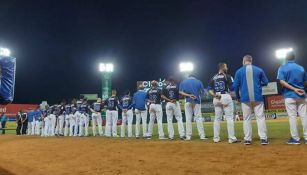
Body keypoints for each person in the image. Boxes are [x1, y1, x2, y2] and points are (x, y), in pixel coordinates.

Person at [233, 55, 269, 145]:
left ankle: (247, 139)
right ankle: (263, 139)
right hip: (257, 97)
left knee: (246, 119)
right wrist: (258, 85)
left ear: (243, 61)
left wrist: (237, 97)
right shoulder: (259, 69)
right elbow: (266, 82)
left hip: (245, 98)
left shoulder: (239, 71)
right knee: (260, 118)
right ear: (251, 61)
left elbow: (235, 86)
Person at [277, 51, 307, 144]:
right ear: (294, 58)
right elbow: (305, 82)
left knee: (292, 117)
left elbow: (281, 81)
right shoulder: (301, 68)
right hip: (301, 94)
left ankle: (295, 139)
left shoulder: (282, 67)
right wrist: (299, 88)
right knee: (304, 116)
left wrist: (294, 89)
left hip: (289, 95)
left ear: (286, 58)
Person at [208, 63, 240, 143]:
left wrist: (215, 95)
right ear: (222, 67)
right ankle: (231, 138)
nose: (227, 68)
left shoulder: (213, 77)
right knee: (229, 118)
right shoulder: (227, 76)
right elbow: (232, 88)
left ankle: (216, 138)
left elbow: (209, 90)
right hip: (225, 96)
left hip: (216, 97)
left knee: (217, 119)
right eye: (226, 66)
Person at [179, 74, 206, 141]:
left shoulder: (183, 81)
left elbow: (180, 92)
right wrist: (197, 95)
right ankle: (202, 136)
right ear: (194, 77)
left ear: (189, 77)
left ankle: (188, 136)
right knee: (198, 118)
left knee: (188, 119)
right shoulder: (198, 81)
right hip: (196, 101)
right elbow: (203, 92)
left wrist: (189, 95)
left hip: (187, 100)